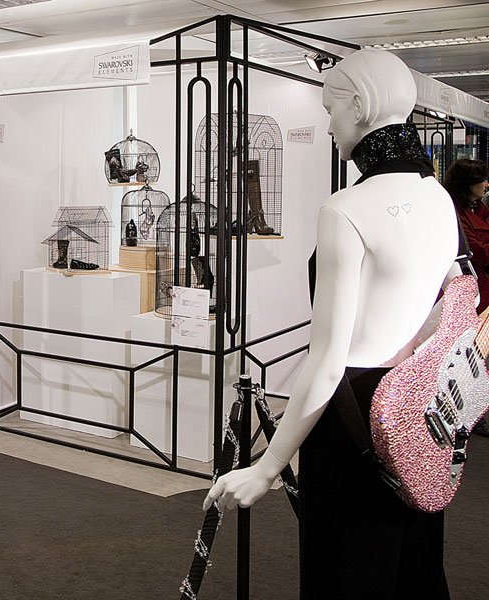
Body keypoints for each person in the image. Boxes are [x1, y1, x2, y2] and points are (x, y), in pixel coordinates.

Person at [204, 49, 459, 600]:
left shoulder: (345, 210)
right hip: (420, 406)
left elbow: (325, 361)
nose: (328, 124)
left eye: (332, 108)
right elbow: (443, 311)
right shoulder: (438, 197)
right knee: (412, 569)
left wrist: (267, 467)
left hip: (353, 417)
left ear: (361, 106)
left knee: (345, 572)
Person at [443, 158, 489, 437]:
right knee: (473, 353)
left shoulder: (477, 208)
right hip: (472, 290)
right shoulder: (456, 213)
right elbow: (479, 251)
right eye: (480, 180)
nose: (485, 184)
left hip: (482, 286)